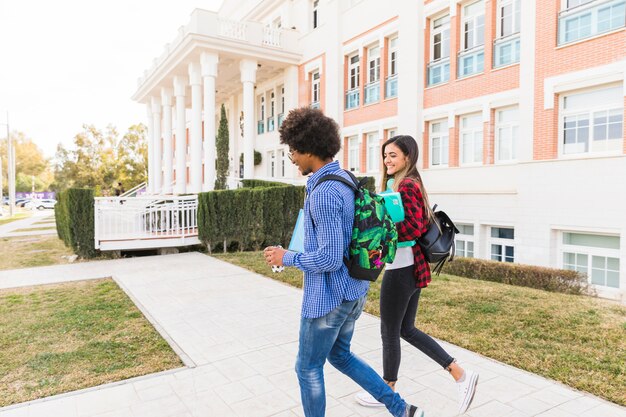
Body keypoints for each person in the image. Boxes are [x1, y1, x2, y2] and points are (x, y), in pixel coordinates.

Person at [264, 108, 425, 417]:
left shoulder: (324, 193)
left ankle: (400, 408)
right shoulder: (345, 179)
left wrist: (287, 257)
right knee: (340, 355)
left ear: (309, 148)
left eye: (293, 151)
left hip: (328, 298)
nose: (292, 157)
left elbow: (328, 257)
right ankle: (401, 409)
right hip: (353, 291)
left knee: (307, 367)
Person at [354, 135, 478, 414]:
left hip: (403, 268)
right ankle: (459, 374)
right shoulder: (398, 184)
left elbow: (413, 227)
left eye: (393, 155)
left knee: (389, 332)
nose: (387, 159)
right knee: (404, 329)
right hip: (407, 266)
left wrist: (382, 229)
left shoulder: (407, 185)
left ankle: (388, 392)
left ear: (407, 158)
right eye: (385, 155)